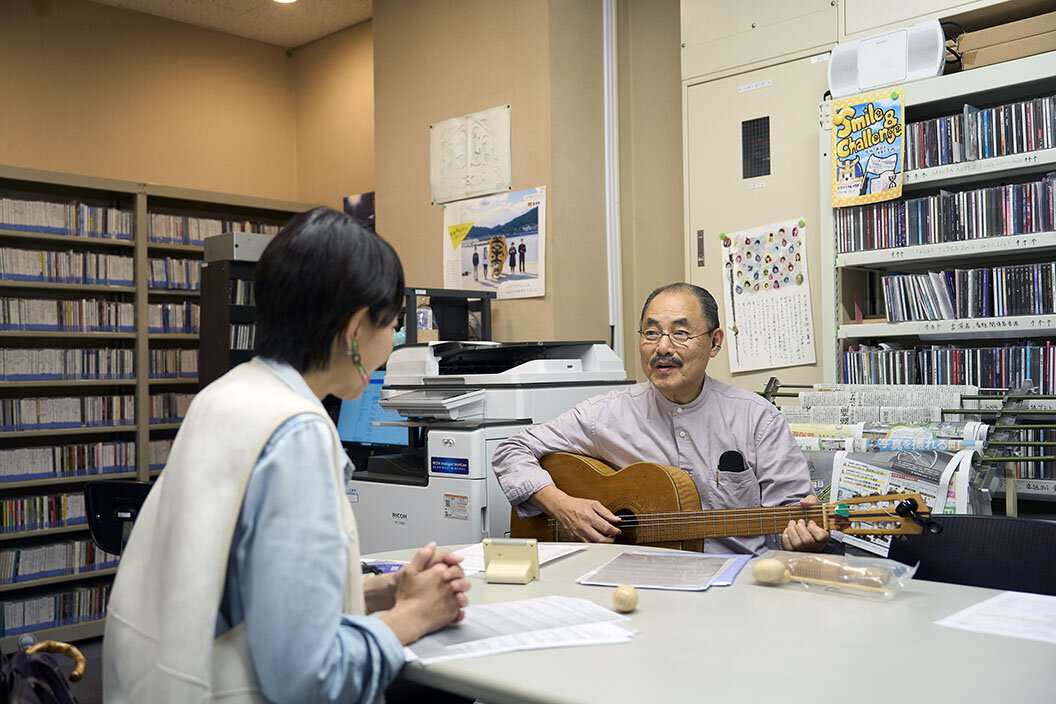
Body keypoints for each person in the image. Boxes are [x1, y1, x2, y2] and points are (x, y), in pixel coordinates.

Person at [104, 207, 471, 704]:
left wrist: (380, 593)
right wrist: (413, 617)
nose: (391, 346)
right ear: (355, 329)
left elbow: (244, 597)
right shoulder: (298, 435)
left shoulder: (227, 395)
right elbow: (308, 677)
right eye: (393, 327)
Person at [492, 282, 828, 555]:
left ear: (714, 343)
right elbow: (511, 450)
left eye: (680, 334)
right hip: (629, 582)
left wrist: (806, 540)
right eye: (651, 334)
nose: (662, 347)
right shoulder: (607, 414)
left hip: (735, 589)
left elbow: (792, 516)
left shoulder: (758, 420)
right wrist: (562, 505)